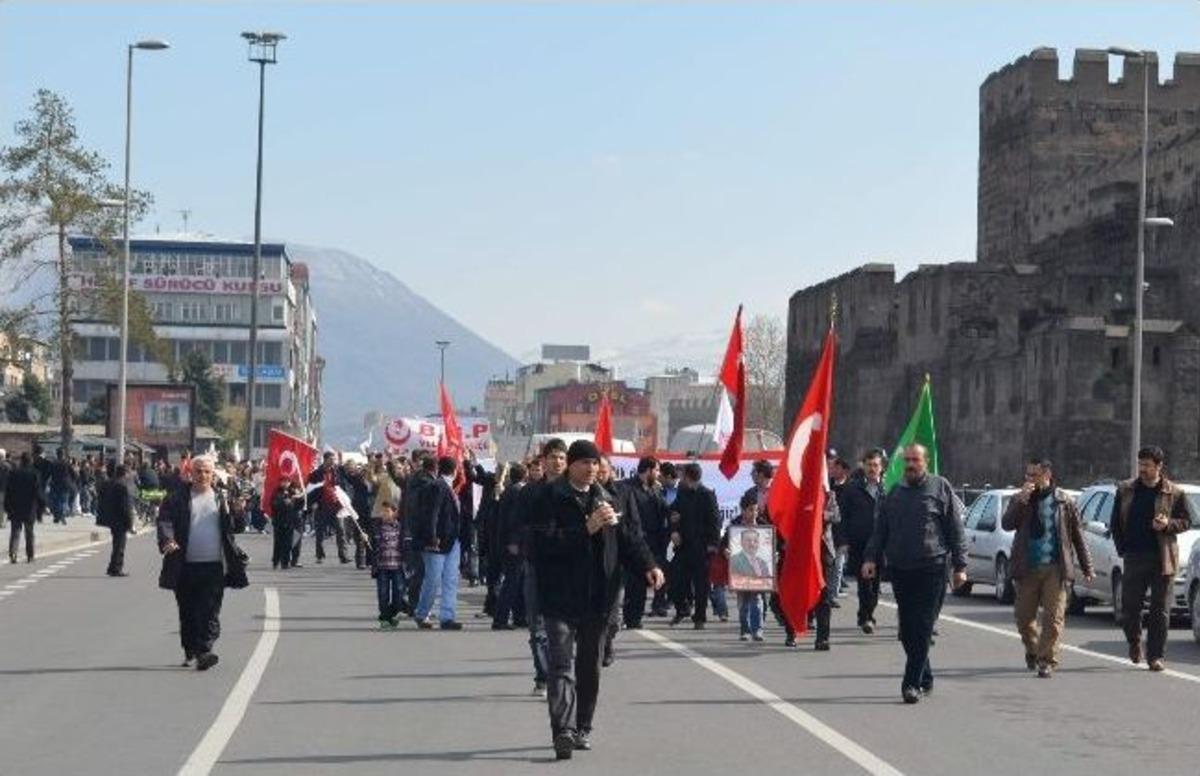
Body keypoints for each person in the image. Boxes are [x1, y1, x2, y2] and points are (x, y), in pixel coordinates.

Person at [528, 440, 664, 760]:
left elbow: (629, 540)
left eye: (595, 464)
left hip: (597, 598)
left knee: (589, 667)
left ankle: (582, 726)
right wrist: (584, 529)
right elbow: (539, 546)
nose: (591, 469)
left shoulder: (609, 499)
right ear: (570, 465)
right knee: (561, 665)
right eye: (584, 463)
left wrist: (650, 566)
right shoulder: (546, 498)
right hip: (559, 596)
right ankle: (562, 730)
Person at [862, 443, 966, 704]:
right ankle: (925, 675)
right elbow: (880, 529)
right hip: (900, 569)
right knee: (908, 630)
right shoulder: (895, 492)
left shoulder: (940, 487)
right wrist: (870, 558)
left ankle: (910, 684)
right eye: (907, 460)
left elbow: (955, 530)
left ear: (925, 462)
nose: (910, 465)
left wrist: (961, 566)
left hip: (933, 567)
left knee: (923, 626)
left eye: (915, 460)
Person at [1001, 457, 1093, 678]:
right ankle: (1033, 650)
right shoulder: (1019, 499)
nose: (1029, 479)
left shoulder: (1064, 501)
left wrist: (1086, 566)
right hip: (1027, 567)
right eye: (1027, 475)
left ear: (1047, 475)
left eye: (1034, 475)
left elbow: (1077, 536)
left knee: (1053, 617)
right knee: (1024, 619)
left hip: (1055, 567)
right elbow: (1007, 524)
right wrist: (1021, 501)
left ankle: (1046, 660)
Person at [156, 455, 248, 670]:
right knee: (188, 612)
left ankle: (205, 650)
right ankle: (190, 649)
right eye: (198, 471)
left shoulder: (221, 498)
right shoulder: (177, 498)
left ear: (213, 474)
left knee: (210, 611)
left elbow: (237, 527)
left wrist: (237, 510)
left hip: (214, 565)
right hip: (185, 565)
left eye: (207, 471)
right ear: (191, 473)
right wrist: (168, 539)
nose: (203, 475)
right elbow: (165, 521)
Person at [1110, 445, 1193, 672]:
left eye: (1147, 465)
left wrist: (1168, 525)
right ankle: (1135, 642)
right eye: (1141, 464)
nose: (1143, 469)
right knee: (1130, 607)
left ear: (1159, 466)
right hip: (1134, 557)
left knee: (1160, 610)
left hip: (1162, 558)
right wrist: (1122, 548)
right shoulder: (1126, 490)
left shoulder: (1174, 492)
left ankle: (1156, 656)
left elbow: (1187, 521)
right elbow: (1115, 523)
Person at [517, 439, 568, 697]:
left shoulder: (576, 491)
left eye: (561, 457)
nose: (557, 462)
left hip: (568, 569)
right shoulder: (529, 492)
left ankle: (560, 674)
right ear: (543, 460)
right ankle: (544, 676)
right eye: (553, 457)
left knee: (564, 627)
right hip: (537, 565)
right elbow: (519, 524)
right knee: (537, 627)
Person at [412, 456, 464, 630]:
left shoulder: (448, 487)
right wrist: (432, 536)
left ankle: (447, 617)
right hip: (437, 541)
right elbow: (431, 513)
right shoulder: (437, 486)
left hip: (452, 540)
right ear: (454, 470)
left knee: (450, 579)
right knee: (433, 579)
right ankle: (421, 613)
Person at [837, 449, 886, 634]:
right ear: (863, 466)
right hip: (860, 544)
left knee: (876, 584)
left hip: (882, 545)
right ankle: (867, 617)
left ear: (881, 468)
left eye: (876, 465)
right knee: (864, 582)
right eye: (869, 465)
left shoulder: (887, 489)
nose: (872, 469)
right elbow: (842, 517)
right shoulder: (852, 489)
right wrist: (843, 541)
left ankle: (865, 612)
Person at [669, 462, 720, 629]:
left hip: (702, 548)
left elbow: (715, 522)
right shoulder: (682, 493)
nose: (681, 478)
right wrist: (674, 530)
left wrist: (713, 545)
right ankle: (682, 609)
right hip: (684, 546)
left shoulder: (707, 494)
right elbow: (674, 512)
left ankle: (700, 618)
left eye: (683, 475)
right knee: (675, 579)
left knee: (701, 586)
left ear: (688, 476)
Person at [619, 457, 667, 629]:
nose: (658, 474)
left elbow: (663, 511)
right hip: (636, 541)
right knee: (635, 581)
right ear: (648, 470)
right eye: (656, 470)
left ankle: (638, 614)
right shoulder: (628, 488)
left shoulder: (655, 489)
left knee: (650, 579)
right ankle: (631, 616)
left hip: (654, 542)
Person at [724, 493, 769, 642]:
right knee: (743, 603)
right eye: (750, 510)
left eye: (756, 510)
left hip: (758, 572)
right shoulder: (735, 525)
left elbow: (771, 544)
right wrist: (726, 551)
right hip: (740, 570)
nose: (754, 513)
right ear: (743, 510)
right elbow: (723, 544)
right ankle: (745, 629)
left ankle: (758, 630)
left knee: (757, 601)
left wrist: (773, 554)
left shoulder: (763, 525)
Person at [492, 462, 528, 629]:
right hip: (513, 543)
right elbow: (514, 520)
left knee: (519, 581)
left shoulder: (511, 490)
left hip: (509, 542)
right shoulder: (517, 491)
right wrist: (513, 542)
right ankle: (500, 619)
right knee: (512, 582)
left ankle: (519, 616)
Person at [308, 451, 350, 565]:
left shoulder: (337, 472)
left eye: (334, 459)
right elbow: (311, 489)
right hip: (322, 506)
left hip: (336, 505)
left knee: (341, 531)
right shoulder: (317, 473)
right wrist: (313, 503)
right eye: (331, 459)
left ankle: (343, 556)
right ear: (325, 459)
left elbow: (343, 486)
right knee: (320, 532)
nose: (333, 461)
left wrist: (344, 500)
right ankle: (320, 555)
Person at [372, 502, 408, 628]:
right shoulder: (377, 527)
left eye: (387, 511)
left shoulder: (400, 528)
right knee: (383, 593)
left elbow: (405, 545)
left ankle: (393, 614)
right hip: (382, 566)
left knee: (399, 592)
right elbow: (372, 546)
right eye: (382, 511)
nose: (384, 514)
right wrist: (365, 540)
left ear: (394, 512)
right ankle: (384, 618)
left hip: (397, 566)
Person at [5, 452, 44, 563]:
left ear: (21, 461)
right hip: (30, 507)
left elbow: (9, 491)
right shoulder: (35, 474)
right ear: (30, 461)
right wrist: (41, 508)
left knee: (15, 531)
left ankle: (13, 553)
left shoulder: (14, 473)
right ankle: (30, 555)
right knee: (29, 532)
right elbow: (38, 492)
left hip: (15, 507)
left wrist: (7, 507)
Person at [97, 462, 134, 576]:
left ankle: (113, 566)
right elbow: (126, 507)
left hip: (110, 518)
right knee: (120, 545)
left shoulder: (108, 483)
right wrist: (130, 524)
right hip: (120, 519)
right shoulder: (123, 486)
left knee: (116, 544)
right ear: (125, 474)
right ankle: (116, 568)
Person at [271, 480, 305, 570]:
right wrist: (285, 501)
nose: (285, 484)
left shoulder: (294, 491)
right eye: (283, 482)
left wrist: (299, 497)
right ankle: (275, 561)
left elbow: (300, 505)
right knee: (278, 542)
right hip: (279, 521)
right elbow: (274, 505)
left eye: (287, 482)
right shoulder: (276, 492)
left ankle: (285, 562)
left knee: (288, 543)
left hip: (291, 521)